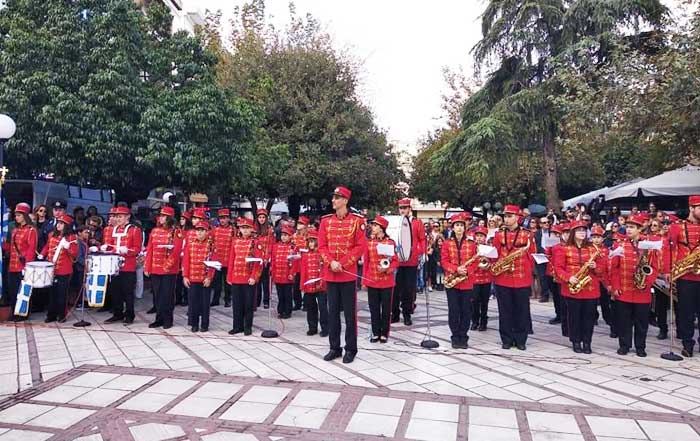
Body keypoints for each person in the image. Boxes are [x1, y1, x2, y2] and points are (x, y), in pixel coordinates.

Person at [318, 186, 367, 364]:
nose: (333, 200)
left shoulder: (357, 221)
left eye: (337, 198)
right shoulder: (325, 221)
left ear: (345, 201)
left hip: (347, 274)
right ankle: (334, 347)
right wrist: (331, 262)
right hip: (331, 274)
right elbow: (322, 246)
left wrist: (343, 263)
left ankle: (351, 349)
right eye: (333, 197)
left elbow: (360, 246)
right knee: (332, 313)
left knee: (349, 314)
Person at [610, 214, 659, 357]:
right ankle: (624, 345)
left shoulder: (649, 245)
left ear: (639, 229)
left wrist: (646, 282)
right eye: (627, 227)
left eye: (632, 227)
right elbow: (614, 269)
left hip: (642, 291)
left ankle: (640, 347)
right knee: (624, 321)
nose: (628, 230)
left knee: (641, 322)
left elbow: (654, 267)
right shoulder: (619, 245)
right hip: (624, 290)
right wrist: (616, 287)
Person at [554, 221, 605, 354]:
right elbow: (558, 268)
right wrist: (568, 277)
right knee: (574, 317)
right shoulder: (564, 248)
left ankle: (587, 342)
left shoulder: (593, 248)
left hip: (590, 288)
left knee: (589, 317)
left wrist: (596, 267)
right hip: (572, 287)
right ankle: (576, 341)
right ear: (573, 233)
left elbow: (602, 269)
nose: (582, 232)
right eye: (579, 230)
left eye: (584, 230)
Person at [492, 204, 536, 350]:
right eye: (505, 216)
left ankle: (521, 340)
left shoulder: (527, 234)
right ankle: (506, 339)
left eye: (509, 216)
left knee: (521, 310)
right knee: (505, 311)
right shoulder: (498, 234)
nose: (506, 219)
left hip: (521, 277)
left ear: (517, 218)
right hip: (502, 278)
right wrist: (497, 265)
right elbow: (494, 255)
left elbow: (533, 255)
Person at [441, 212, 480, 349]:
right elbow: (444, 261)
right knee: (454, 310)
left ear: (465, 227)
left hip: (466, 282)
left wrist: (467, 271)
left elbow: (476, 262)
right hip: (452, 282)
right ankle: (455, 336)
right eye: (456, 225)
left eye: (461, 225)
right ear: (452, 227)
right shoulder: (446, 243)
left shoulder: (472, 244)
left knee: (466, 310)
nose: (459, 228)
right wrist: (456, 269)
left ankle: (463, 337)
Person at [669, 195, 700, 357]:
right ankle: (688, 344)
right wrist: (668, 270)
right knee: (686, 313)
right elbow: (669, 250)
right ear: (691, 208)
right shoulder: (676, 227)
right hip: (685, 276)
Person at [101, 205, 142, 324]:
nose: (118, 219)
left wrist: (127, 251)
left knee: (128, 292)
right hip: (114, 265)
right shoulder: (114, 230)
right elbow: (111, 245)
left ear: (128, 217)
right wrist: (105, 247)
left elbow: (137, 249)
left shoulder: (134, 230)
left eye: (120, 216)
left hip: (128, 265)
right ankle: (117, 314)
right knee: (115, 291)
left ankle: (130, 315)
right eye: (117, 217)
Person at [144, 206, 183, 330]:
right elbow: (150, 249)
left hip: (169, 270)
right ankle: (159, 319)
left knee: (167, 295)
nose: (160, 218)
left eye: (163, 216)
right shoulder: (154, 231)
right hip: (155, 268)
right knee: (157, 295)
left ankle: (168, 319)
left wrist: (167, 265)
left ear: (169, 218)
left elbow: (176, 251)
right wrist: (147, 266)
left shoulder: (176, 232)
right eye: (160, 215)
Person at [362, 216, 398, 343]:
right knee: (374, 308)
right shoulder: (369, 243)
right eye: (373, 225)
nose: (373, 227)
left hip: (386, 281)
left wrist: (387, 269)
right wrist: (364, 281)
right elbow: (366, 263)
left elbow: (395, 261)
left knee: (386, 309)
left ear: (382, 228)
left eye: (375, 225)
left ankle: (384, 333)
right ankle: (375, 332)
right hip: (372, 280)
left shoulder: (390, 243)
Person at [392, 198, 426, 326]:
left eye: (405, 208)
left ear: (409, 209)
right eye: (400, 208)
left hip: (411, 261)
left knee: (408, 289)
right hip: (397, 261)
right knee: (395, 289)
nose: (402, 210)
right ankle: (395, 314)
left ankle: (407, 314)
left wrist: (420, 251)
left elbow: (422, 239)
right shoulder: (396, 222)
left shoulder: (417, 222)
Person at [227, 217, 263, 335]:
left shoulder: (256, 243)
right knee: (236, 304)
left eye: (247, 228)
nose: (245, 230)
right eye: (243, 228)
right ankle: (237, 326)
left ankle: (248, 326)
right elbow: (231, 259)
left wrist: (254, 277)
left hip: (248, 278)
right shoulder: (235, 241)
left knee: (248, 304)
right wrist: (229, 276)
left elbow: (258, 262)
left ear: (251, 229)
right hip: (236, 277)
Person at [39, 215, 78, 323]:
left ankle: (61, 315)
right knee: (52, 293)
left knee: (62, 294)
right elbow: (47, 246)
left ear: (67, 226)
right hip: (52, 269)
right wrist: (42, 254)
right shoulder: (52, 234)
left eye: (61, 223)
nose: (58, 225)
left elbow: (75, 254)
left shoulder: (71, 238)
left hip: (64, 270)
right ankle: (51, 315)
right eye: (58, 223)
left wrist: (68, 247)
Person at [4, 203, 38, 321]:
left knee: (23, 292)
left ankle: (23, 313)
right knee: (13, 291)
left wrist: (27, 266)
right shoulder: (15, 230)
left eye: (19, 215)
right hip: (12, 266)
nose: (16, 217)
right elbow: (10, 248)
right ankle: (14, 312)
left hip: (22, 266)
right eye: (16, 215)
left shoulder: (31, 230)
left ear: (25, 216)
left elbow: (31, 250)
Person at [183, 220, 217, 332]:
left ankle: (205, 325)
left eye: (202, 231)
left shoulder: (211, 245)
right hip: (193, 277)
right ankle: (194, 324)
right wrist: (185, 276)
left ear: (207, 232)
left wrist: (209, 277)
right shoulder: (190, 244)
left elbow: (213, 264)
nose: (200, 233)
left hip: (204, 278)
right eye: (198, 230)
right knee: (193, 302)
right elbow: (186, 261)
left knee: (205, 303)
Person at [300, 228, 327, 336]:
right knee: (311, 308)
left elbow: (325, 270)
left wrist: (322, 281)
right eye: (309, 242)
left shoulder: (322, 254)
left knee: (323, 308)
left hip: (321, 286)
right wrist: (302, 285)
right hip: (309, 285)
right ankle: (312, 327)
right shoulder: (305, 255)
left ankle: (325, 328)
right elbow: (303, 271)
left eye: (312, 241)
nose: (310, 244)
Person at [271, 225, 299, 319]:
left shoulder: (293, 247)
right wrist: (272, 272)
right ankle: (280, 310)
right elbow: (273, 260)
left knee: (287, 295)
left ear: (290, 236)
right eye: (282, 235)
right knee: (280, 295)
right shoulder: (276, 246)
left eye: (286, 235)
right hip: (278, 275)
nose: (283, 237)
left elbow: (295, 262)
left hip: (287, 276)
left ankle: (287, 311)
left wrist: (292, 273)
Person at [211, 208, 235, 308]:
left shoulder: (233, 230)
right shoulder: (215, 230)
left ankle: (227, 300)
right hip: (217, 260)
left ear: (228, 219)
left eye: (224, 218)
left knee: (227, 282)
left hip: (228, 259)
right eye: (221, 218)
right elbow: (211, 242)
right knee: (216, 281)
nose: (222, 220)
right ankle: (215, 300)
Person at [471, 226, 493, 331]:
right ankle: (474, 321)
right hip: (474, 278)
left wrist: (488, 262)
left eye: (481, 236)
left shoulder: (489, 248)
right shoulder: (471, 248)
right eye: (478, 236)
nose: (479, 238)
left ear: (485, 237)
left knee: (484, 301)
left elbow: (493, 262)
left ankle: (483, 322)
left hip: (486, 278)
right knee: (474, 300)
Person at [254, 208, 274, 309]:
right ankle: (257, 300)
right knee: (257, 280)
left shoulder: (270, 231)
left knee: (266, 282)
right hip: (257, 260)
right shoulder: (254, 230)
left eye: (263, 217)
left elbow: (271, 245)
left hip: (266, 259)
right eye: (260, 217)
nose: (261, 219)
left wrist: (267, 257)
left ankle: (266, 301)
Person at [292, 216, 311, 310]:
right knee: (296, 285)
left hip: (306, 263)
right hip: (296, 263)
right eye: (298, 223)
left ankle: (306, 303)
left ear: (305, 225)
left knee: (306, 283)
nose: (299, 225)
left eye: (301, 224)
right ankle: (297, 303)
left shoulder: (309, 236)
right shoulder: (294, 236)